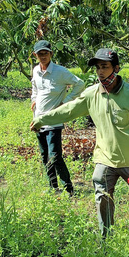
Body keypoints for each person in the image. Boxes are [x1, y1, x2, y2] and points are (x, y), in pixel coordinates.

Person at [30, 48, 129, 237]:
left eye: (105, 67)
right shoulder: (91, 94)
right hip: (104, 158)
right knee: (102, 196)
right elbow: (68, 110)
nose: (100, 71)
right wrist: (42, 119)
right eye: (97, 68)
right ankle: (106, 238)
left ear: (116, 68)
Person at [31, 40, 84, 196]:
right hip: (38, 118)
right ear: (35, 55)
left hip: (54, 120)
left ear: (51, 54)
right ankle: (53, 187)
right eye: (40, 54)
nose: (43, 56)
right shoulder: (35, 71)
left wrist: (66, 102)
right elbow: (35, 88)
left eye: (46, 53)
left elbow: (79, 84)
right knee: (44, 155)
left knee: (55, 156)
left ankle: (68, 188)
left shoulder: (60, 72)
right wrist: (33, 99)